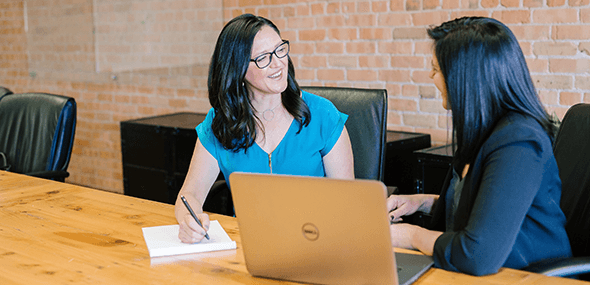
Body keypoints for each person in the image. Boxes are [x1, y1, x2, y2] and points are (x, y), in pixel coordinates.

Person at [386, 17, 572, 276]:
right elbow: (486, 206)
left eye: (436, 69)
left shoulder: (519, 142)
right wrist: (423, 202)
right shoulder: (485, 130)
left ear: (465, 78)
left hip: (527, 276)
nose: (430, 76)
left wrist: (411, 236)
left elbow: (477, 255)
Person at [175, 14, 354, 244]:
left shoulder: (323, 115)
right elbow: (189, 194)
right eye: (263, 58)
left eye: (280, 50)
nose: (278, 63)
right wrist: (188, 221)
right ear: (238, 69)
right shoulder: (220, 123)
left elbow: (347, 202)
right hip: (249, 246)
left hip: (316, 242)